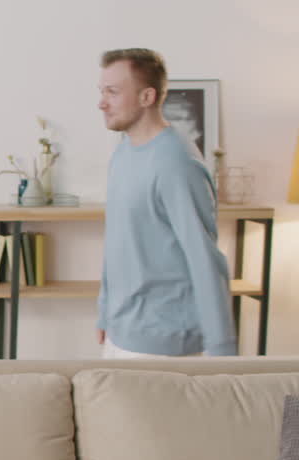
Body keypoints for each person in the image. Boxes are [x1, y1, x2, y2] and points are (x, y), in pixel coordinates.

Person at [95, 48, 236, 358]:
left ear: (147, 97)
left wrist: (223, 352)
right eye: (102, 91)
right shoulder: (122, 154)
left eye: (113, 92)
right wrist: (105, 312)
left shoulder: (176, 162)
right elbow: (118, 241)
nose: (102, 102)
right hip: (120, 333)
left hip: (165, 342)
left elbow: (204, 257)